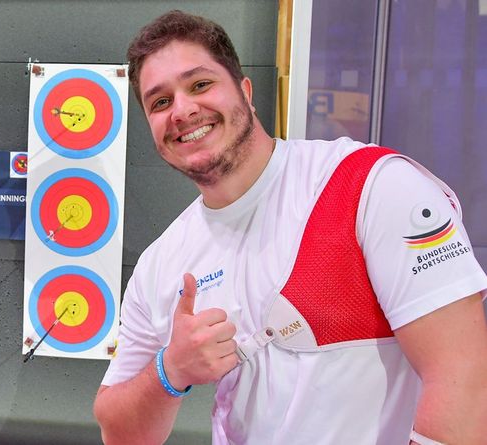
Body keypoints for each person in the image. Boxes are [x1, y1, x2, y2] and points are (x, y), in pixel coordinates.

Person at [93, 10, 487, 445]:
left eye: (200, 84)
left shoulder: (371, 186)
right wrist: (171, 371)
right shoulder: (161, 264)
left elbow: (467, 380)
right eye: (160, 102)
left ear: (246, 91)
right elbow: (119, 432)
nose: (183, 110)